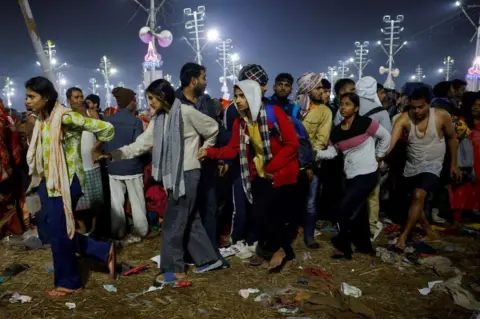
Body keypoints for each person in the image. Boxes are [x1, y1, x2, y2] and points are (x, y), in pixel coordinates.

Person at [101, 79, 222, 284]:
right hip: (173, 175)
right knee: (189, 219)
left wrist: (205, 148)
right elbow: (141, 144)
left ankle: (175, 269)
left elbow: (212, 128)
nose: (149, 103)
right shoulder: (159, 120)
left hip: (187, 173)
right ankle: (208, 259)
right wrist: (114, 154)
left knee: (173, 223)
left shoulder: (186, 112)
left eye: (151, 98)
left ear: (162, 96)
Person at [25, 77, 115, 297]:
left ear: (45, 98)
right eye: (26, 96)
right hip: (50, 181)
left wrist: (97, 149)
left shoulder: (65, 117)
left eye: (31, 96)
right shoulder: (43, 120)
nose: (27, 101)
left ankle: (70, 283)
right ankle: (102, 250)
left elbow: (106, 128)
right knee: (53, 228)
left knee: (59, 231)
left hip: (67, 181)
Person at [199, 79, 299, 270]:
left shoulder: (273, 113)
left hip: (281, 171)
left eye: (242, 96)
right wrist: (210, 153)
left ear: (253, 95)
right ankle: (272, 249)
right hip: (261, 173)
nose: (238, 100)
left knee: (273, 214)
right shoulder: (241, 121)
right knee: (262, 213)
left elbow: (292, 144)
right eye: (236, 96)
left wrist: (271, 167)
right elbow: (234, 149)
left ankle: (280, 251)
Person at [317, 92, 390, 259]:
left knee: (344, 209)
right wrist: (316, 154)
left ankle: (344, 248)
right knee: (360, 212)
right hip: (351, 175)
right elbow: (332, 152)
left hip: (368, 173)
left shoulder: (365, 123)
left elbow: (386, 136)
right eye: (341, 104)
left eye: (348, 104)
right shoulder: (337, 131)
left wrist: (379, 156)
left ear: (356, 108)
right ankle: (365, 246)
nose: (343, 107)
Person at [387, 86, 461, 251]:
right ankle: (428, 230)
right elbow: (391, 142)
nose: (417, 111)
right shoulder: (403, 118)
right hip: (412, 164)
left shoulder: (441, 116)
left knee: (419, 194)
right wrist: (379, 156)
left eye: (421, 107)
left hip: (434, 163)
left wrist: (454, 164)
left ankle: (404, 237)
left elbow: (452, 138)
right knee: (415, 199)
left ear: (429, 104)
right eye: (413, 107)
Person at [103, 87, 148, 239]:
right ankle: (141, 230)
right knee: (137, 202)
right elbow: (139, 145)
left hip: (113, 167)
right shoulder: (135, 121)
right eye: (134, 100)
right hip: (132, 167)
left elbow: (103, 144)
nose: (135, 103)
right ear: (129, 102)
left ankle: (118, 231)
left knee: (116, 204)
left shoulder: (108, 121)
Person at [296, 73, 332, 249]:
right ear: (308, 89)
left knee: (310, 202)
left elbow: (321, 141)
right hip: (290, 162)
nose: (321, 92)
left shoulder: (324, 111)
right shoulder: (296, 108)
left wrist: (309, 164)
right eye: (318, 88)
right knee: (291, 199)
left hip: (311, 165)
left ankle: (309, 236)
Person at [0, 98, 23, 237]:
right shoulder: (5, 119)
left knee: (6, 198)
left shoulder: (5, 120)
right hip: (5, 165)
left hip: (3, 165)